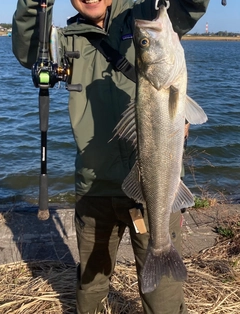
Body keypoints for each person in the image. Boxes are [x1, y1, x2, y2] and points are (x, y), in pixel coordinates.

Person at [12, 0, 209, 313]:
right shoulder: (65, 39)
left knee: (164, 299)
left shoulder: (146, 14)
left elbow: (192, 5)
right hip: (94, 187)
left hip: (153, 191)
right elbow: (28, 50)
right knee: (90, 285)